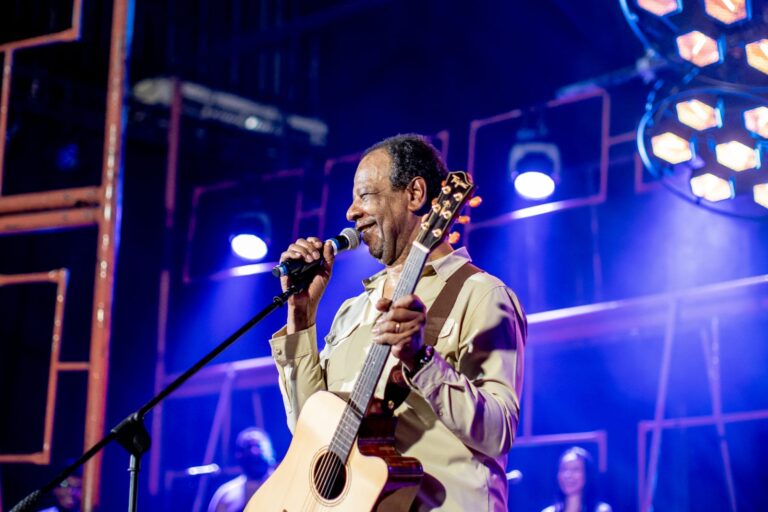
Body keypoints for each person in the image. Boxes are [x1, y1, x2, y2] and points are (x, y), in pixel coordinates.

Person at [268, 133, 526, 511]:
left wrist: (422, 361)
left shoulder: (481, 294)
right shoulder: (352, 311)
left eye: (365, 195)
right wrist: (301, 316)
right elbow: (310, 433)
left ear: (416, 194)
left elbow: (498, 431)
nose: (350, 212)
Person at [207, 427, 275, 512]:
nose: (254, 452)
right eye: (248, 448)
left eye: (259, 446)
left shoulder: (286, 486)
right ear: (239, 456)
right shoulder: (225, 496)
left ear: (271, 452)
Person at [541, 447, 612, 512]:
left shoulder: (601, 510)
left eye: (575, 469)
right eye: (563, 469)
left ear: (587, 474)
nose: (568, 475)